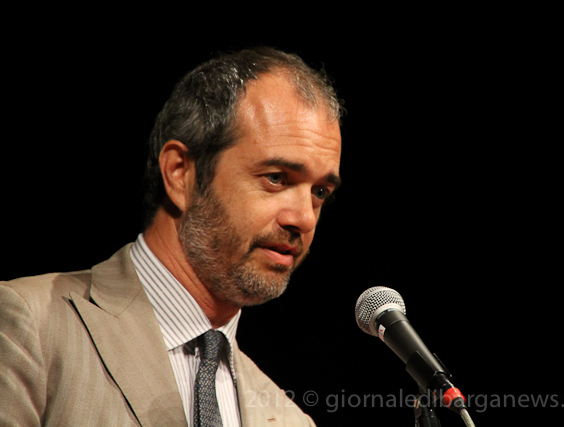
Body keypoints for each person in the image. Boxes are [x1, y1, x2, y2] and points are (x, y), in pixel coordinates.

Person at [0, 47, 343, 427]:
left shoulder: (291, 419)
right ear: (181, 173)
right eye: (276, 178)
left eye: (320, 192)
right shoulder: (28, 325)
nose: (304, 218)